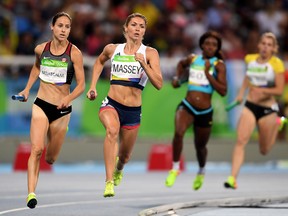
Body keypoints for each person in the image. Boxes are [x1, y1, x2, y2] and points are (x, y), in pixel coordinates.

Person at [86, 13, 162, 197]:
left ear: (144, 31)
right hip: (111, 104)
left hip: (133, 111)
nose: (137, 28)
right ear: (125, 28)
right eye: (134, 25)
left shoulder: (150, 53)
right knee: (111, 131)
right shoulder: (113, 49)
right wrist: (93, 86)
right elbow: (98, 62)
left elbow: (159, 84)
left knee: (125, 156)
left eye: (141, 26)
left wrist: (144, 64)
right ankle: (108, 181)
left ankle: (119, 168)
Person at [17, 12, 85, 208]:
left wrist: (68, 98)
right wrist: (27, 89)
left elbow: (81, 85)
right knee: (36, 149)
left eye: (67, 27)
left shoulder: (74, 53)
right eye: (60, 26)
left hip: (62, 110)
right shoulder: (40, 49)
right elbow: (36, 68)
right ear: (52, 27)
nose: (64, 30)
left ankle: (60, 134)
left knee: (51, 158)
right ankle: (31, 193)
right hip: (41, 104)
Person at [165, 31, 227, 190]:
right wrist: (176, 79)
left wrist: (207, 73)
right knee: (178, 133)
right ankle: (175, 168)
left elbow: (223, 91)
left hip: (205, 112)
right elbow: (180, 64)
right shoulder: (193, 59)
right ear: (202, 45)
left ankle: (201, 171)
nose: (210, 47)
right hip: (188, 105)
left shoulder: (218, 65)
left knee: (200, 147)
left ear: (217, 48)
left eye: (214, 45)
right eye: (207, 44)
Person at [224, 32, 286, 189]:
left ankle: (279, 122)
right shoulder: (250, 59)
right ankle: (232, 178)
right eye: (263, 43)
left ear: (274, 49)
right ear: (258, 45)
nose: (265, 47)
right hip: (250, 106)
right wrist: (240, 94)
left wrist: (264, 92)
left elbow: (279, 90)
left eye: (269, 45)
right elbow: (247, 78)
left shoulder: (276, 64)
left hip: (268, 110)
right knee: (240, 141)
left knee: (264, 150)